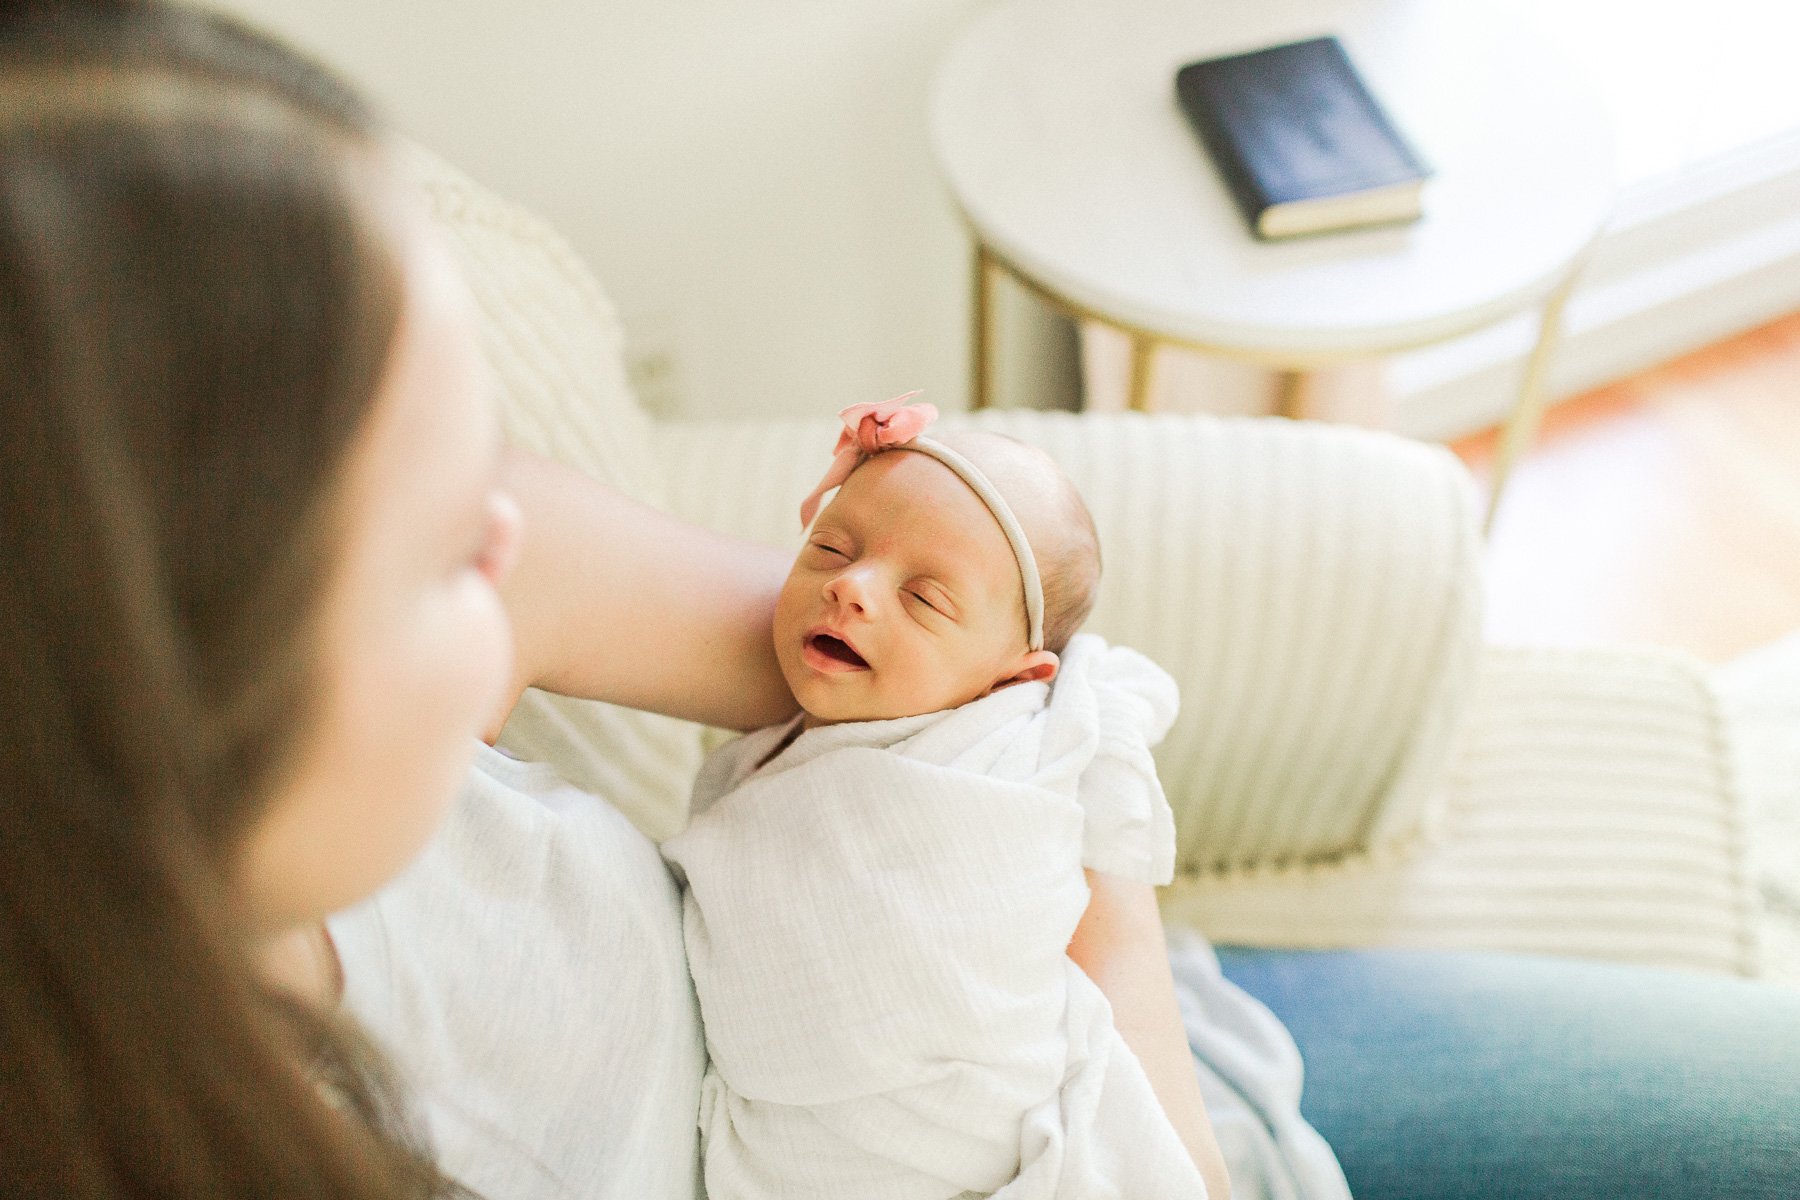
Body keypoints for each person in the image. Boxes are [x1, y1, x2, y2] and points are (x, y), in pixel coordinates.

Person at [5, 4, 1797, 1200]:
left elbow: (982, 705)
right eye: (425, 546)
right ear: (160, 717)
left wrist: (1146, 1079)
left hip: (1111, 1072)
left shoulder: (477, 576)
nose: (509, 537)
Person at [662, 400, 1219, 1197]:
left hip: (985, 1127)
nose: (851, 588)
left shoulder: (1019, 755)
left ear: (1015, 681)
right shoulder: (779, 743)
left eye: (925, 599)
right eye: (828, 548)